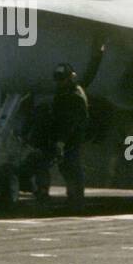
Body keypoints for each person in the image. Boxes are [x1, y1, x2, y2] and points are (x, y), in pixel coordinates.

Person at [39, 62, 88, 209]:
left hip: (71, 137)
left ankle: (76, 200)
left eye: (62, 79)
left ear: (69, 78)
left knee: (71, 166)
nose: (59, 82)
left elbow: (69, 122)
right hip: (65, 136)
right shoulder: (65, 93)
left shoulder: (73, 96)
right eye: (58, 79)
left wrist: (61, 141)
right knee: (66, 166)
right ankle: (73, 198)